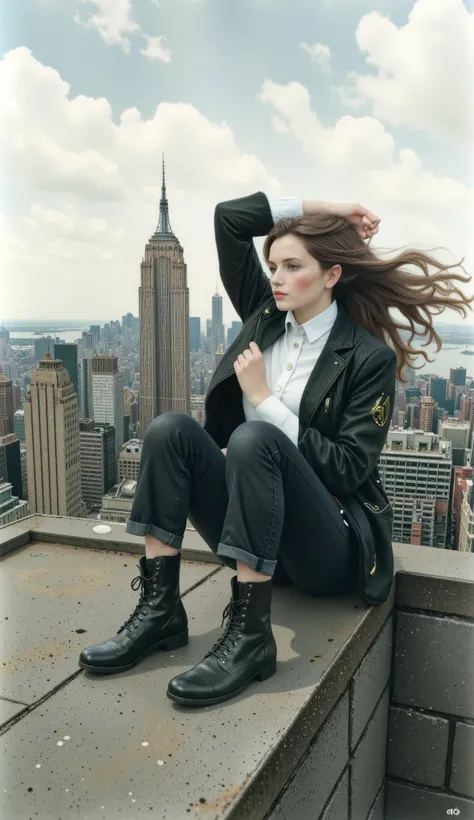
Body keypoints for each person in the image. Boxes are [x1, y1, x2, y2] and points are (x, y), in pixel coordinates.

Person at [78, 192, 473, 708]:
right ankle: (160, 612)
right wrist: (331, 210)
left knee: (254, 435)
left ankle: (250, 639)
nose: (278, 278)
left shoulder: (365, 357)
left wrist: (264, 399)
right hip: (254, 535)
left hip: (324, 550)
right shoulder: (264, 316)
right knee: (167, 429)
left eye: (293, 266)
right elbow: (228, 218)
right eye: (273, 266)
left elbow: (350, 469)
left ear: (332, 274)